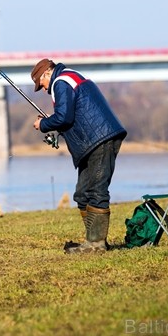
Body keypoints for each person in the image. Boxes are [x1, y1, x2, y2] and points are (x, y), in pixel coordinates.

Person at [31, 59, 127, 253]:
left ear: (46, 74)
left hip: (100, 139)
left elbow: (64, 117)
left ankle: (96, 244)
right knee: (82, 194)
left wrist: (43, 125)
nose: (42, 89)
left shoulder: (61, 82)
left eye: (40, 84)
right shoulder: (68, 78)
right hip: (91, 142)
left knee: (96, 191)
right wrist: (51, 121)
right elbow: (70, 115)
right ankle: (92, 240)